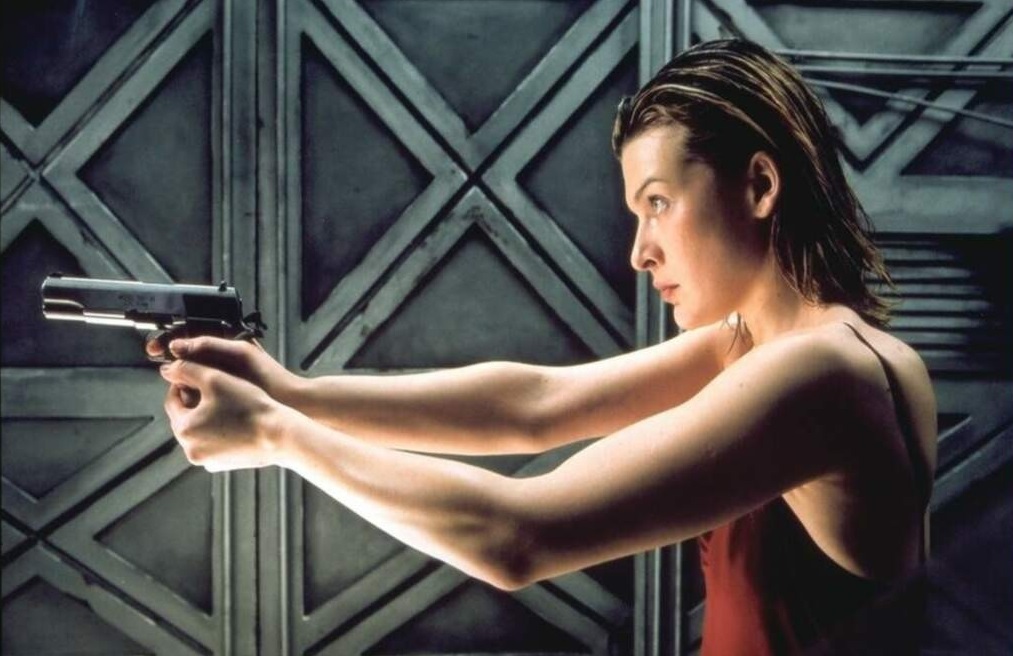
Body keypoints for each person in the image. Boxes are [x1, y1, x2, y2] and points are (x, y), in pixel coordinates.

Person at [154, 39, 936, 654]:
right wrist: (290, 391)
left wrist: (278, 436)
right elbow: (533, 406)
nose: (640, 252)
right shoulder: (760, 346)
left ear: (759, 186)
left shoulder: (826, 373)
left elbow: (516, 537)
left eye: (658, 204)